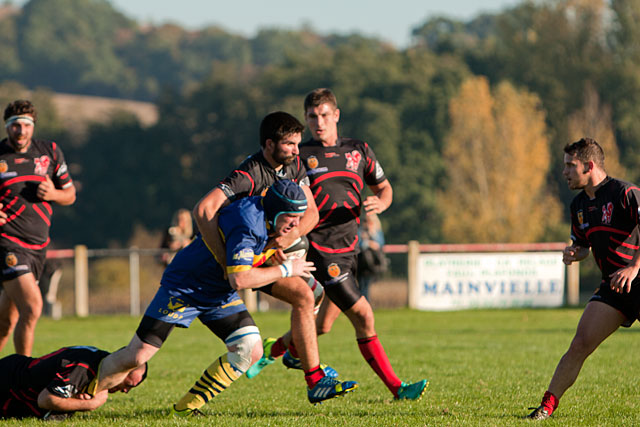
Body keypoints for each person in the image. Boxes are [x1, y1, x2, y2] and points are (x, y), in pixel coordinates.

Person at [96, 180, 358, 417]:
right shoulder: (249, 226)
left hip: (217, 292)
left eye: (299, 218)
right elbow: (241, 280)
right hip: (186, 288)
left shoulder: (268, 218)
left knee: (250, 349)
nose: (295, 225)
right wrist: (286, 269)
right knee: (137, 355)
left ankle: (186, 408)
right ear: (276, 211)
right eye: (291, 217)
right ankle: (81, 385)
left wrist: (274, 254)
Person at [248, 88, 427, 401]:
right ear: (305, 118)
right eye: (312, 116)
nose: (319, 122)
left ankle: (278, 350)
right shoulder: (300, 155)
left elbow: (384, 189)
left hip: (350, 248)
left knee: (322, 326)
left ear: (337, 115)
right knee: (364, 316)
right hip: (321, 250)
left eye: (324, 115)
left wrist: (380, 204)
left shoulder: (358, 150)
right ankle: (398, 388)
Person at [527, 138, 640, 420]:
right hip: (614, 287)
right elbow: (584, 246)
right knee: (579, 344)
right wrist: (575, 253)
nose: (564, 172)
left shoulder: (625, 193)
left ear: (589, 166)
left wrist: (636, 266)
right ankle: (546, 408)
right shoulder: (579, 205)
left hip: (638, 278)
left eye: (570, 166)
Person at [0, 100, 76, 356]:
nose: (20, 131)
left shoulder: (50, 152)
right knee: (32, 307)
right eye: (15, 126)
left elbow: (70, 194)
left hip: (38, 247)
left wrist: (54, 193)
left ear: (33, 127)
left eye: (25, 125)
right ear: (7, 127)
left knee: (6, 322)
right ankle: (23, 378)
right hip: (7, 243)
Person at [0, 345, 147, 420]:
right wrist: (90, 404)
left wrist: (72, 401)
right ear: (121, 368)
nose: (125, 391)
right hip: (7, 385)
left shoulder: (98, 359)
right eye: (128, 385)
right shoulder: (85, 367)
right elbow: (46, 400)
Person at [357, 213, 387, 300]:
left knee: (366, 285)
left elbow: (380, 245)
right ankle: (364, 303)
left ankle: (365, 303)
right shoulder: (360, 231)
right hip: (361, 263)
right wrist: (368, 243)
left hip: (372, 264)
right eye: (366, 221)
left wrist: (372, 234)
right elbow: (358, 245)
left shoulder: (377, 233)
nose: (367, 224)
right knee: (362, 285)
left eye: (370, 222)